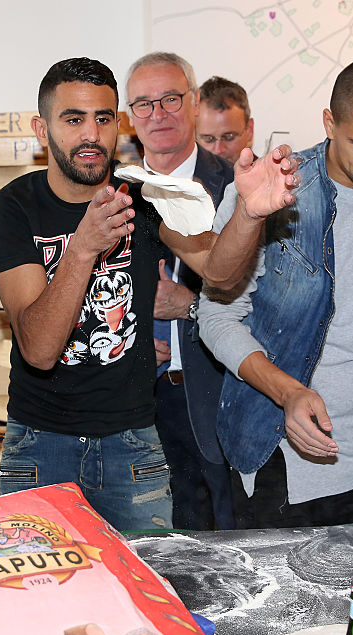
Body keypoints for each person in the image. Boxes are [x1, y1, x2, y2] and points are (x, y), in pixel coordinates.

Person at [0, 57, 298, 532]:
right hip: (41, 442)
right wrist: (84, 247)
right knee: (38, 597)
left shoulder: (142, 194)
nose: (91, 135)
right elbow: (40, 349)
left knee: (146, 592)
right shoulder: (12, 208)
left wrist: (250, 214)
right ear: (42, 130)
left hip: (132, 443)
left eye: (104, 118)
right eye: (73, 119)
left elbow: (220, 271)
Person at [198, 57, 353, 528]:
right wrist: (289, 392)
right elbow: (215, 318)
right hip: (276, 456)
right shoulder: (272, 192)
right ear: (329, 123)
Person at [125, 51, 236, 530]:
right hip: (132, 404)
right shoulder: (112, 191)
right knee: (145, 549)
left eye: (171, 98)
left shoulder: (237, 188)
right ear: (130, 117)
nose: (158, 114)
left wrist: (190, 306)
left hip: (215, 397)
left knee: (227, 545)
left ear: (193, 102)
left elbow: (274, 308)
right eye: (143, 104)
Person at [196, 76, 254, 164]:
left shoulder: (270, 176)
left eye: (228, 137)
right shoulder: (179, 176)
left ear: (249, 130)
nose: (218, 150)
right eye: (209, 139)